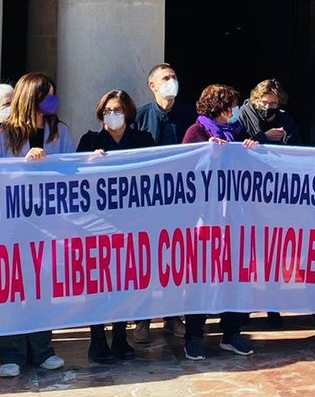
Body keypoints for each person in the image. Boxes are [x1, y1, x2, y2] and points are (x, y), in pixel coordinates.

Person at [0, 74, 69, 376]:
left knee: (41, 287)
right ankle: (12, 353)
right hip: (12, 222)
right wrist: (24, 169)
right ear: (32, 97)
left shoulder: (60, 132)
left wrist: (49, 167)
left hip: (47, 221)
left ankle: (43, 349)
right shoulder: (6, 136)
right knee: (14, 286)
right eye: (48, 96)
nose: (53, 101)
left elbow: (70, 172)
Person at [181, 84, 259, 360]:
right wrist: (207, 156)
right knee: (201, 277)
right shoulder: (196, 133)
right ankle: (194, 336)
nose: (235, 111)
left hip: (236, 217)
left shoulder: (239, 133)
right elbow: (185, 174)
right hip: (205, 218)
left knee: (236, 276)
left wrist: (253, 149)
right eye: (231, 106)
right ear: (220, 108)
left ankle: (232, 332)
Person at [77, 90, 155, 363]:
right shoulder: (90, 141)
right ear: (101, 114)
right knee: (98, 284)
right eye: (108, 110)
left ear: (128, 113)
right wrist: (87, 163)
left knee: (125, 282)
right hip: (97, 225)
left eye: (118, 110)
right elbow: (73, 179)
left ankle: (121, 337)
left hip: (131, 224)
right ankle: (97, 340)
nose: (113, 115)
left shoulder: (143, 141)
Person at [133, 63, 193, 344]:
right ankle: (142, 319)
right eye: (165, 78)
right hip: (146, 203)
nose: (171, 82)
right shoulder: (140, 117)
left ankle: (172, 316)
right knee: (145, 261)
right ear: (152, 86)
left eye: (174, 77)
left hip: (180, 202)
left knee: (175, 260)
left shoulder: (189, 116)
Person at [238, 78, 300, 146]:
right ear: (256, 101)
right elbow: (236, 141)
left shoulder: (284, 117)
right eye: (264, 102)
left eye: (273, 103)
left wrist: (285, 136)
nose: (267, 107)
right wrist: (264, 136)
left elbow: (297, 144)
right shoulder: (246, 113)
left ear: (279, 104)